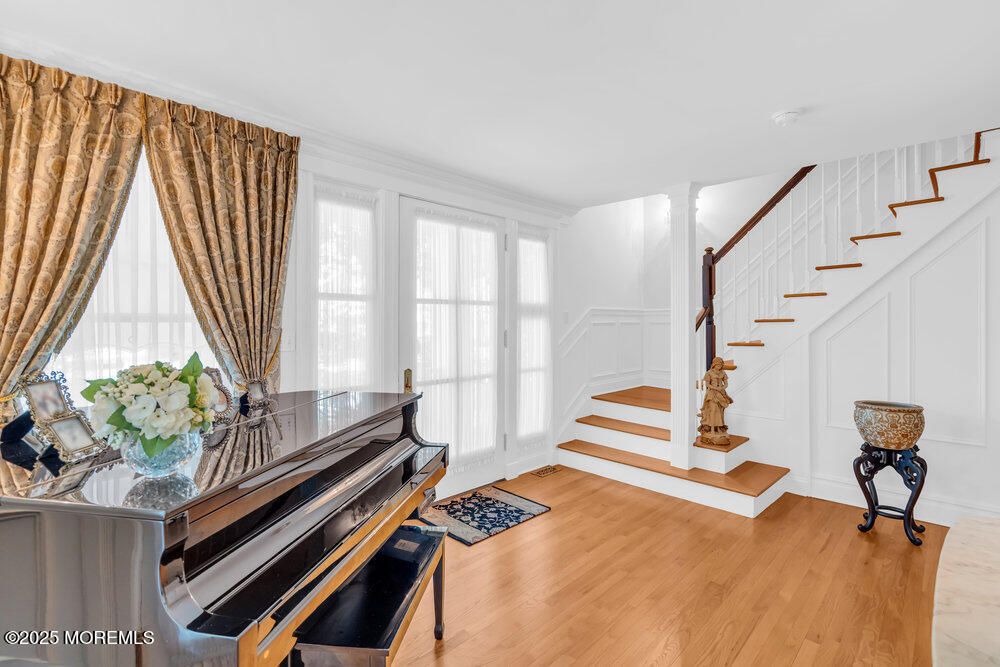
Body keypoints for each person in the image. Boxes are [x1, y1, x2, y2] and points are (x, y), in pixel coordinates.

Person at [699, 357, 733, 443]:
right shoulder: (709, 373)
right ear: (714, 364)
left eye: (721, 365)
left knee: (720, 411)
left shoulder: (723, 373)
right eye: (718, 365)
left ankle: (718, 428)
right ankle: (712, 429)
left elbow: (726, 383)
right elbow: (707, 384)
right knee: (713, 411)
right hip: (712, 394)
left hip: (721, 393)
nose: (719, 366)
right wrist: (715, 388)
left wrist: (722, 388)